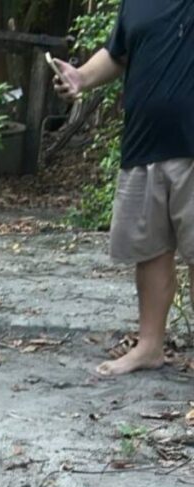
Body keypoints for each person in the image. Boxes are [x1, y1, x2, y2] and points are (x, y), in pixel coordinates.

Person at [53, 2, 194, 376]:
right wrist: (80, 77)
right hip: (144, 143)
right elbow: (119, 52)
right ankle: (149, 347)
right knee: (149, 249)